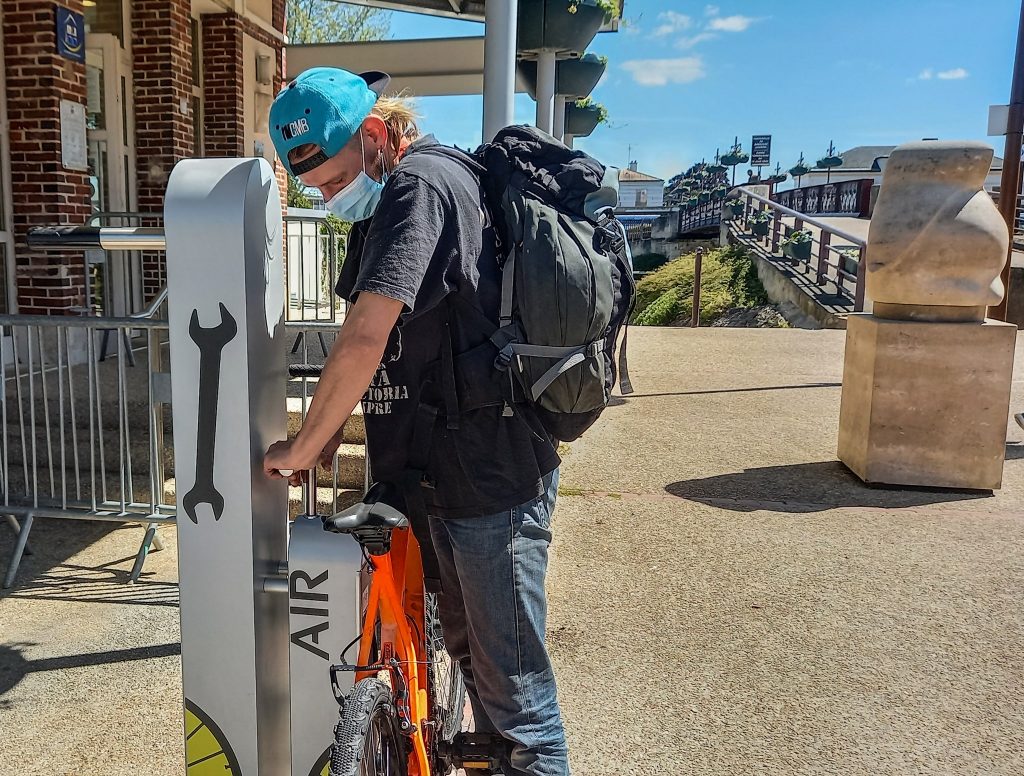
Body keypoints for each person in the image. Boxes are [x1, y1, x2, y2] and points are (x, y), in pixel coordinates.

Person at [262, 67, 570, 776]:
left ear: (375, 137)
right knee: (476, 670)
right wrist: (333, 432)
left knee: (521, 711)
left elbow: (371, 332)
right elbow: (360, 339)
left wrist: (306, 446)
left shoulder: (420, 187)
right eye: (317, 190)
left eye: (335, 181)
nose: (330, 198)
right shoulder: (380, 206)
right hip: (433, 477)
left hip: (490, 476)